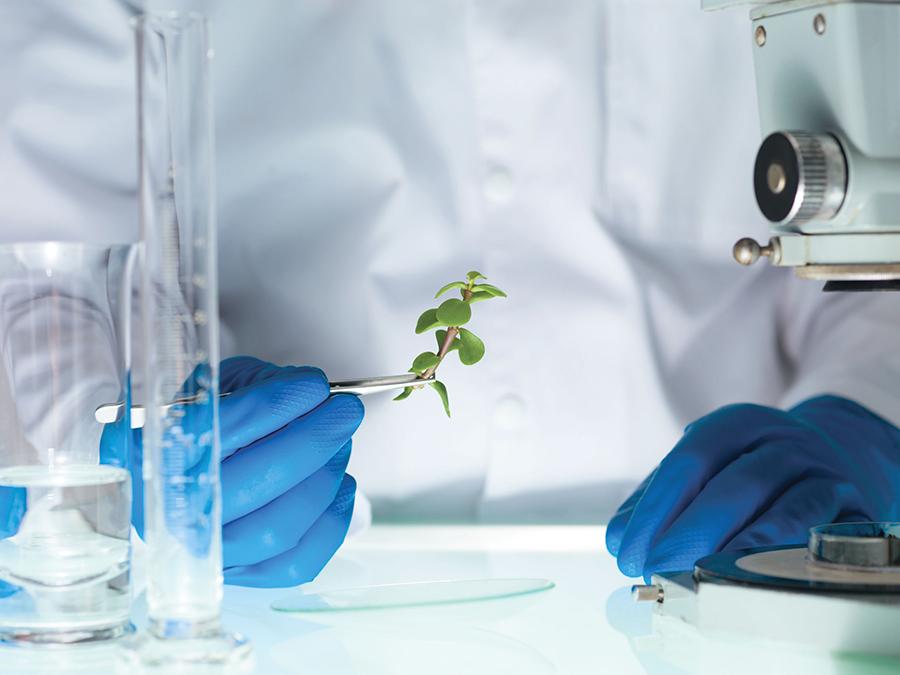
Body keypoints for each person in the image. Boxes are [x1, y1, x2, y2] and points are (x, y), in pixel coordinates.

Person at [2, 0, 899, 587]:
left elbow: (871, 240)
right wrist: (120, 441)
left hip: (716, 570)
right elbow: (52, 249)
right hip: (288, 587)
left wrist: (860, 425)